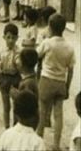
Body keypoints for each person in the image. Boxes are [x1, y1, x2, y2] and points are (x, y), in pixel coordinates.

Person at [37, 13, 75, 150]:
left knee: (42, 112)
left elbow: (37, 55)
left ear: (50, 27)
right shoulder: (69, 47)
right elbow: (71, 70)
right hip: (60, 82)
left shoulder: (47, 43)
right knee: (58, 115)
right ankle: (56, 144)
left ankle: (39, 141)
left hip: (46, 80)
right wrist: (67, 87)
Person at [0, 23, 21, 129]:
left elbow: (20, 66)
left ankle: (15, 126)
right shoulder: (1, 51)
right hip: (4, 78)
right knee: (6, 105)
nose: (11, 40)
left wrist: (18, 62)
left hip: (15, 78)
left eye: (13, 38)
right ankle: (7, 127)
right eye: (8, 37)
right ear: (4, 37)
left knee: (16, 104)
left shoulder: (19, 51)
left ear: (17, 38)